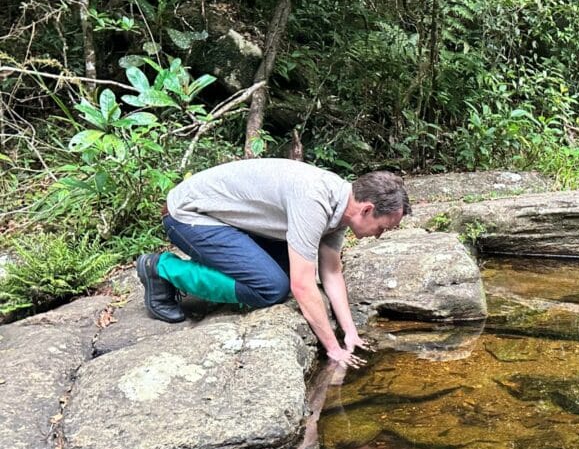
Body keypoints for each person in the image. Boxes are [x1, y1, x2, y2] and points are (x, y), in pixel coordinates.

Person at [135, 158, 410, 370]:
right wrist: (333, 349)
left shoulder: (340, 207)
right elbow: (302, 286)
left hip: (232, 221)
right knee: (270, 288)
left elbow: (331, 271)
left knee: (285, 270)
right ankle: (162, 269)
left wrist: (350, 333)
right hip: (188, 216)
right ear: (367, 210)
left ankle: (210, 262)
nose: (380, 234)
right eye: (382, 227)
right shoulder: (315, 200)